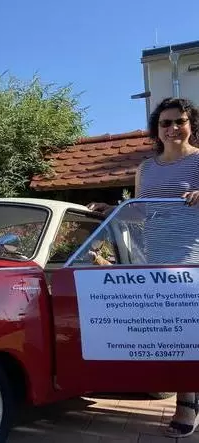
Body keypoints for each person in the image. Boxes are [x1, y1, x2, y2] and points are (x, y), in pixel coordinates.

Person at [88, 97, 199, 438]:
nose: (172, 129)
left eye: (179, 121)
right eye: (165, 123)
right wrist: (110, 209)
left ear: (190, 123)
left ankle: (186, 404)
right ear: (157, 129)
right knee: (174, 334)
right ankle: (190, 398)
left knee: (188, 331)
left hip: (192, 255)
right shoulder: (146, 168)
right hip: (156, 257)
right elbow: (140, 212)